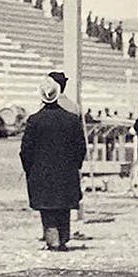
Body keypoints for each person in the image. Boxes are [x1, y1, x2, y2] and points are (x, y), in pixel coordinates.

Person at [19, 76, 86, 251]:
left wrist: (30, 169)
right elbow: (81, 147)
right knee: (63, 206)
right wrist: (76, 165)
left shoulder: (34, 120)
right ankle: (63, 238)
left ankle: (53, 240)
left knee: (47, 208)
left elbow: (26, 150)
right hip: (66, 171)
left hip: (42, 172)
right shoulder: (71, 119)